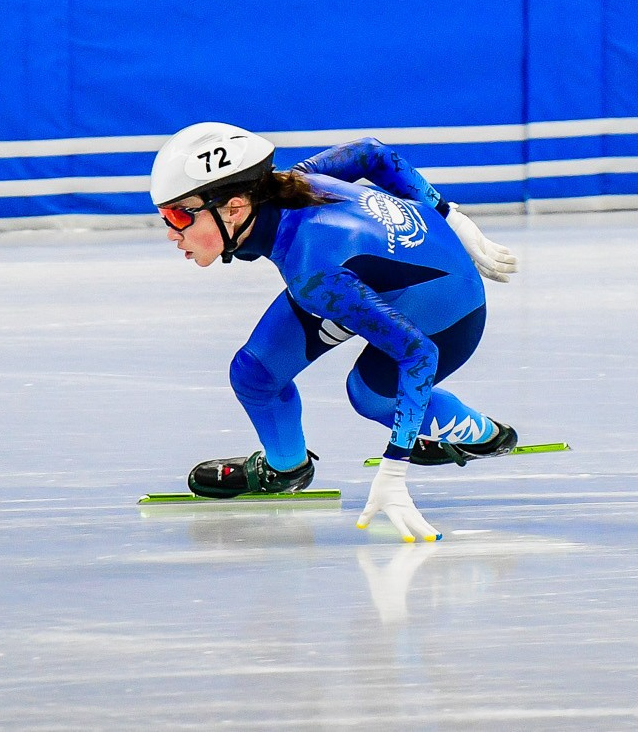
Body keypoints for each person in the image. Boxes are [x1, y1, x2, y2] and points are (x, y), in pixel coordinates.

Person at [152, 122, 520, 541]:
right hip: (366, 278)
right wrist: (447, 214)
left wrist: (394, 469)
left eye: (179, 215)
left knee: (370, 396)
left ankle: (483, 434)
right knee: (254, 375)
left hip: (448, 312)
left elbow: (419, 354)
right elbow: (370, 152)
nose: (170, 232)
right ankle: (286, 467)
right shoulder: (290, 185)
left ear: (235, 209)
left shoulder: (313, 271)